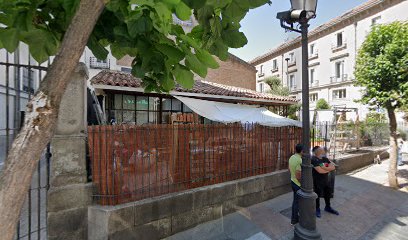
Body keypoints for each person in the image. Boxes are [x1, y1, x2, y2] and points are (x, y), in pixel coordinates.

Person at [311, 146, 339, 218]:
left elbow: (333, 166)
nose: (323, 150)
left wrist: (324, 168)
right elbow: (320, 171)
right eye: (321, 149)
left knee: (328, 194)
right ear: (317, 151)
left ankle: (328, 207)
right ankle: (317, 209)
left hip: (326, 180)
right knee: (317, 195)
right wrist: (328, 168)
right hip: (317, 181)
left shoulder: (325, 159)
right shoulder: (314, 159)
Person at [288, 144, 303, 225]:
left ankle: (295, 218)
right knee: (297, 202)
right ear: (301, 151)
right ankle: (294, 219)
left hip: (292, 181)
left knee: (295, 201)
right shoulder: (299, 160)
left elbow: (289, 169)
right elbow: (298, 175)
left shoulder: (292, 157)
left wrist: (293, 176)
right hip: (298, 184)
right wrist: (302, 184)